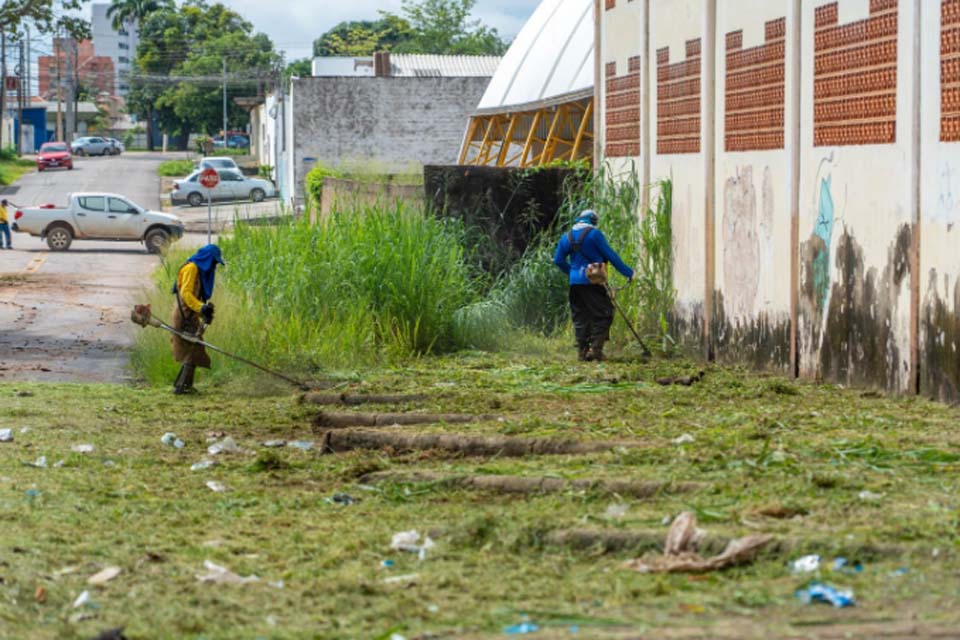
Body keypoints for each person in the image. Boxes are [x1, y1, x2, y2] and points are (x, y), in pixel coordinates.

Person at [553, 209, 634, 361]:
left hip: (575, 284)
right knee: (605, 313)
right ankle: (595, 350)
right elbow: (611, 255)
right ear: (593, 220)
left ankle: (582, 353)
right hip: (592, 281)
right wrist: (629, 273)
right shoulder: (594, 234)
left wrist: (572, 272)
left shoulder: (567, 236)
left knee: (580, 317)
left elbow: (557, 260)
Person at [171, 244, 224, 394]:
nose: (214, 265)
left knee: (195, 348)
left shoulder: (199, 271)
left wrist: (204, 313)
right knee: (193, 348)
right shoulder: (191, 268)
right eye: (213, 262)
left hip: (191, 314)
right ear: (207, 259)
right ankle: (182, 387)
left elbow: (195, 297)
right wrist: (201, 308)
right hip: (183, 315)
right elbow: (186, 294)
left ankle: (182, 385)